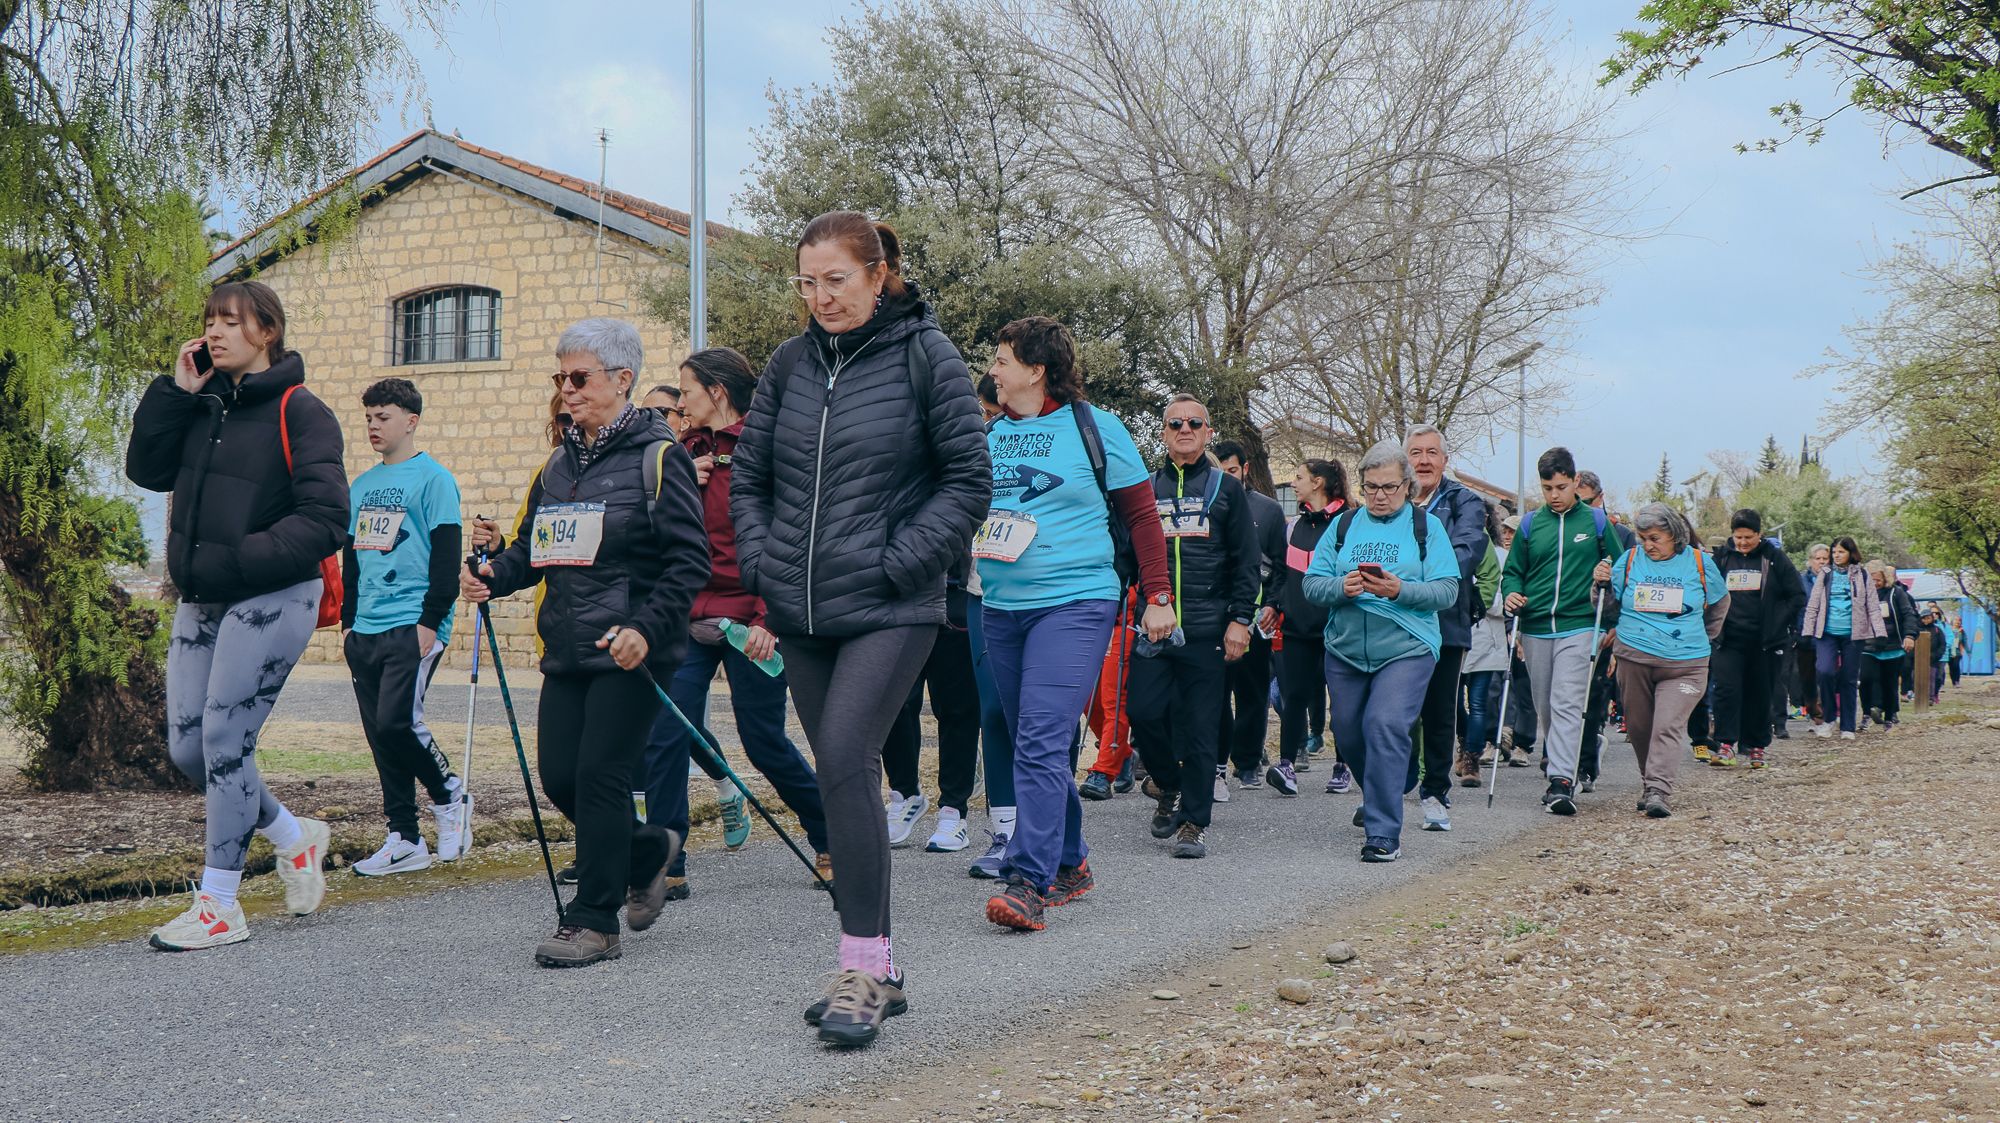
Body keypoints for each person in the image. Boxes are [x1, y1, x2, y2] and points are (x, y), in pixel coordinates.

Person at [731, 211, 990, 1046]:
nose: (821, 298)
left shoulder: (927, 354)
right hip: (803, 611)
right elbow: (751, 476)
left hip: (892, 603)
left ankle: (865, 965)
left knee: (845, 753)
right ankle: (879, 964)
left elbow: (968, 478)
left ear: (879, 274)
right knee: (843, 774)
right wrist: (766, 562)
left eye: (836, 280)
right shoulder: (789, 363)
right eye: (807, 283)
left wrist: (900, 561)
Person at [461, 317, 708, 968]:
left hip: (631, 650)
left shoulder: (660, 458)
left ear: (622, 380)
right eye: (560, 378)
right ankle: (649, 849)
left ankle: (594, 920)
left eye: (579, 377)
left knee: (601, 776)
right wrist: (494, 575)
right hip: (568, 647)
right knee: (562, 778)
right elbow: (531, 553)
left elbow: (689, 563)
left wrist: (646, 630)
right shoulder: (559, 463)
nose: (566, 390)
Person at [124, 280, 344, 950]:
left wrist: (246, 556)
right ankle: (291, 835)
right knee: (189, 749)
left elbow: (328, 517)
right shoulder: (203, 403)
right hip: (203, 596)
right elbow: (145, 469)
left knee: (225, 742)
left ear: (267, 331)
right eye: (209, 321)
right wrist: (175, 393)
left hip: (271, 593)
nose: (215, 333)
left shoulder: (302, 411)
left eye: (230, 321)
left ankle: (221, 903)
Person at [976, 317, 1172, 931]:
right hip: (1001, 605)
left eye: (1003, 360)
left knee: (1040, 735)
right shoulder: (988, 436)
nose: (994, 372)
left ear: (1036, 369)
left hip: (1077, 600)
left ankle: (1027, 880)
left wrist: (1157, 596)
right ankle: (1070, 860)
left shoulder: (1097, 428)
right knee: (1029, 737)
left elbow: (1142, 518)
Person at [635, 347, 832, 901]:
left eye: (688, 392)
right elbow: (656, 534)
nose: (681, 404)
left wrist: (771, 615)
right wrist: (678, 481)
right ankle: (667, 863)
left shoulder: (764, 449)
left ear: (717, 393)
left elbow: (789, 539)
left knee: (763, 741)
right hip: (689, 619)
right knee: (668, 734)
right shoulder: (679, 452)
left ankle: (831, 837)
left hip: (753, 620)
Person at [1302, 440, 1458, 862]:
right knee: (1348, 731)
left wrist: (1399, 590)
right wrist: (1342, 587)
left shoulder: (1427, 528)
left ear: (1407, 486)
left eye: (1389, 487)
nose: (1380, 496)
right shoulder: (1344, 526)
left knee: (1385, 723)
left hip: (1407, 645)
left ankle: (1383, 833)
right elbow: (1312, 584)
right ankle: (1393, 777)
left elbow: (1447, 590)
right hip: (1346, 647)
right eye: (1371, 487)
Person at [340, 377, 471, 876]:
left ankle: (450, 795)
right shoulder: (362, 486)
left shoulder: (433, 479)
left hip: (412, 622)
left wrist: (431, 620)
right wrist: (349, 625)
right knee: (380, 734)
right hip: (366, 627)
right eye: (369, 417)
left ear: (410, 421)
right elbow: (351, 560)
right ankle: (404, 838)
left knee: (399, 723)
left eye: (383, 417)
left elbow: (446, 553)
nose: (373, 426)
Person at [1126, 394, 1260, 860]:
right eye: (1175, 423)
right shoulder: (1142, 490)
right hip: (1154, 631)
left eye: (1194, 423)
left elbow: (1247, 562)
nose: (1184, 430)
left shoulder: (1228, 490)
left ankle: (1192, 822)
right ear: (1163, 433)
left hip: (1208, 631)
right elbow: (1125, 559)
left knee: (1203, 729)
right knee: (1143, 714)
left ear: (1207, 432)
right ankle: (1170, 785)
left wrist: (1240, 620)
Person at [1499, 447, 1622, 815]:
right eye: (1547, 487)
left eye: (1561, 486)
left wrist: (1608, 572)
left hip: (1580, 624)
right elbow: (1513, 572)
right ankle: (1571, 754)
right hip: (1536, 627)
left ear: (1575, 482)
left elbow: (1621, 564)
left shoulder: (1597, 523)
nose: (1554, 495)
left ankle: (1561, 781)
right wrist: (1511, 594)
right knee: (1546, 707)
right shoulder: (1529, 525)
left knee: (1567, 701)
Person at [1598, 503, 1729, 817]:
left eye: (1655, 538)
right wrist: (1598, 583)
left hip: (1685, 664)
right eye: (1643, 537)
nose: (1648, 545)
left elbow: (1719, 605)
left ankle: (1659, 790)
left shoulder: (1699, 563)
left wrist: (1701, 637)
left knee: (1666, 726)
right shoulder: (1628, 561)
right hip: (1634, 657)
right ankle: (1649, 782)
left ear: (1675, 535)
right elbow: (1606, 606)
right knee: (1640, 728)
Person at [1403, 424, 1493, 830]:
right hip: (1395, 620)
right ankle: (1390, 786)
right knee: (1394, 713)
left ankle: (1435, 792)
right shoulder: (1392, 500)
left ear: (1444, 459)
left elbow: (1466, 551)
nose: (1423, 461)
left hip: (1444, 621)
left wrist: (1414, 581)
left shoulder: (1465, 502)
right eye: (1416, 453)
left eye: (1431, 453)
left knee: (1439, 712)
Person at [881, 571, 983, 852]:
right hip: (902, 594)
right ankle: (905, 794)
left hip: (955, 591)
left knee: (957, 709)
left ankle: (953, 810)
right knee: (894, 702)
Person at [1269, 459, 1351, 796]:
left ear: (1318, 483)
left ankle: (1343, 766)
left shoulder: (1349, 523)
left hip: (1337, 629)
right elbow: (1279, 573)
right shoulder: (1292, 527)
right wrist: (1273, 604)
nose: (1293, 483)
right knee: (1294, 698)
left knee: (1342, 702)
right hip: (1296, 629)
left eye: (1299, 477)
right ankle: (1287, 765)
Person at [1705, 509, 1805, 769]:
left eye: (1748, 537)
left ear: (1759, 535)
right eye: (1738, 537)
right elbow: (1709, 593)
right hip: (1729, 639)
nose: (1742, 542)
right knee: (1727, 691)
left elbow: (1796, 595)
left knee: (1760, 693)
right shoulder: (1723, 558)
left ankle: (1756, 746)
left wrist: (1778, 622)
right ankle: (1726, 744)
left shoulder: (1775, 559)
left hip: (1765, 641)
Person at [1212, 440, 1285, 791]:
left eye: (1232, 470)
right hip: (1215, 614)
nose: (1226, 476)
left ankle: (1248, 761)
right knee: (1217, 693)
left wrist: (1273, 603)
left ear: (1245, 469)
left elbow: (1281, 564)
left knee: (1253, 693)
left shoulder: (1269, 510)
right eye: (1220, 470)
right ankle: (1217, 763)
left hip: (1257, 616)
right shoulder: (1209, 503)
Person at [1572, 471, 1635, 790]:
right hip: (1567, 623)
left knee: (1591, 694)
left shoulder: (1622, 535)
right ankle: (1557, 757)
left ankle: (1584, 764)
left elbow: (1629, 583)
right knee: (1563, 696)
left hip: (1601, 623)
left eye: (1587, 500)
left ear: (1600, 497)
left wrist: (1617, 626)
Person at [1800, 537, 1880, 740]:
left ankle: (1847, 726)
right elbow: (1814, 603)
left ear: (1851, 553)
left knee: (1849, 679)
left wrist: (1878, 631)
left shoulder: (1862, 574)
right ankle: (1828, 719)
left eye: (1840, 552)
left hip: (1853, 634)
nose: (1836, 555)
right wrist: (1808, 630)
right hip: (1826, 633)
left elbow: (1871, 603)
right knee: (1825, 671)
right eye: (1834, 552)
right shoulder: (1825, 575)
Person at [1461, 501, 1510, 773]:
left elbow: (1504, 601)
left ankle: (1471, 757)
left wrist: (1477, 600)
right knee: (1453, 703)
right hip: (1456, 635)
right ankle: (1465, 739)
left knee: (1478, 702)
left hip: (1485, 639)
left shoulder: (1499, 556)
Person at [1860, 561, 1920, 730]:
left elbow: (1909, 614)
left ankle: (1890, 715)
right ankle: (1867, 712)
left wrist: (1909, 635)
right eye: (1870, 580)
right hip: (1867, 644)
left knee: (1889, 681)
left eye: (1877, 580)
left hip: (1892, 644)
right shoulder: (1861, 594)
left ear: (1885, 578)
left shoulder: (1896, 593)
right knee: (1866, 679)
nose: (1874, 583)